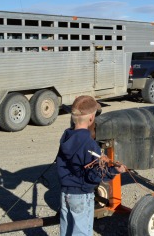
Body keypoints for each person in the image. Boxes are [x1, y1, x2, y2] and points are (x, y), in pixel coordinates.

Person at [56, 95, 126, 236]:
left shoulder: (66, 137)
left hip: (65, 194)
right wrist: (114, 170)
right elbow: (94, 175)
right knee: (81, 232)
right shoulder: (89, 144)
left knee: (66, 231)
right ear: (91, 119)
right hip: (81, 196)